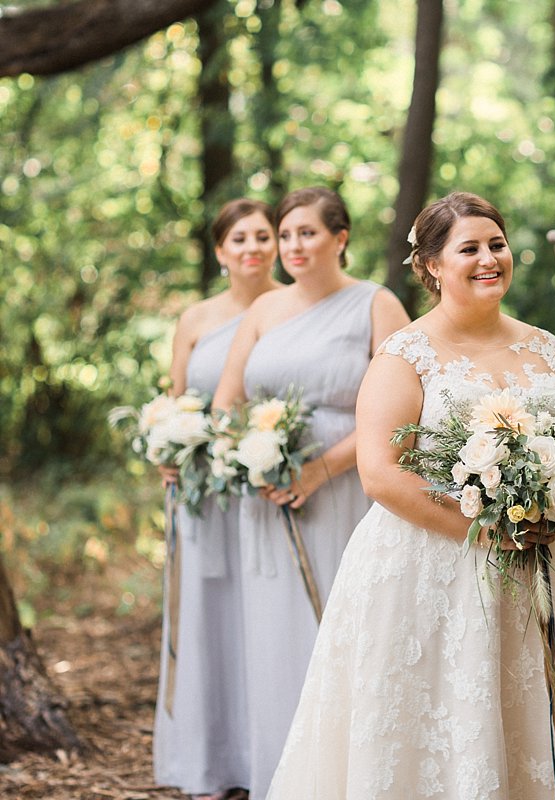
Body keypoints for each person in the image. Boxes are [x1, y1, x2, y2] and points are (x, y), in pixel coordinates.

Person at [264, 192, 555, 799]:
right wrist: (486, 531)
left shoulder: (546, 348)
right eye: (470, 249)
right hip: (430, 567)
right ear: (430, 265)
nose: (489, 259)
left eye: (497, 245)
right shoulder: (406, 355)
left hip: (535, 562)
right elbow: (378, 472)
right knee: (434, 722)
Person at [212, 186, 410, 798]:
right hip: (267, 496)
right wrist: (251, 457)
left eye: (307, 233)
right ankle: (279, 770)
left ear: (340, 238)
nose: (293, 246)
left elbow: (408, 415)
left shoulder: (376, 305)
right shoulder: (265, 312)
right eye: (287, 234)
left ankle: (351, 776)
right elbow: (228, 400)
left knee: (342, 624)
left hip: (349, 487)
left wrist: (321, 468)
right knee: (275, 629)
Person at [153, 198, 280, 800]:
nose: (253, 248)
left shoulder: (292, 309)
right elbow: (177, 399)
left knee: (267, 616)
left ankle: (270, 759)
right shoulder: (196, 319)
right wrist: (166, 446)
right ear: (220, 251)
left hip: (270, 486)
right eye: (240, 239)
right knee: (210, 616)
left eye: (263, 236)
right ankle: (211, 761)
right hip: (204, 492)